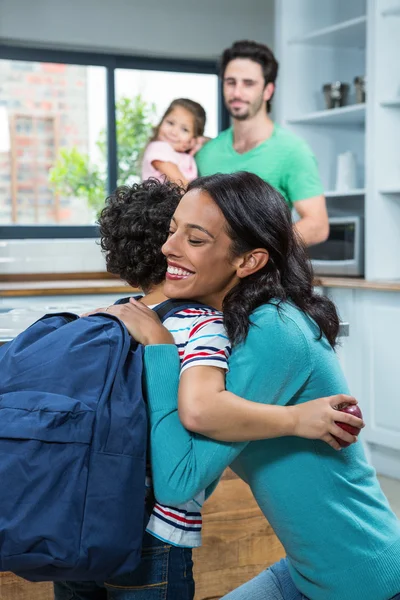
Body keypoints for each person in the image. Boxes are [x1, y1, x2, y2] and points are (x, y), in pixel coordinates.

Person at [59, 178, 363, 600]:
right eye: (171, 230)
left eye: (195, 238)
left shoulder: (272, 330)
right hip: (306, 573)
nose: (168, 248)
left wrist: (162, 351)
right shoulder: (232, 323)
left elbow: (180, 479)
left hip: (358, 578)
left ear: (249, 261)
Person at [196, 40, 329, 247]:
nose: (237, 93)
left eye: (248, 84)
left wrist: (257, 250)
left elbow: (317, 225)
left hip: (267, 276)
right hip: (212, 275)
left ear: (268, 91)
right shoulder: (207, 153)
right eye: (231, 82)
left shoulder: (292, 151)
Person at [141, 98, 206, 186]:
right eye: (170, 123)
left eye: (184, 130)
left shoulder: (183, 155)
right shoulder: (158, 148)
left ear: (193, 138)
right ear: (161, 121)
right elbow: (181, 184)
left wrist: (198, 143)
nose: (174, 132)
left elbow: (207, 140)